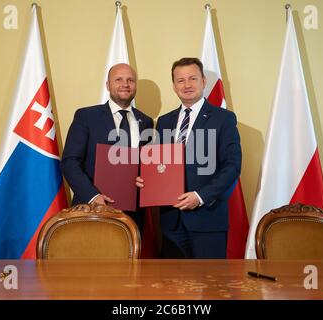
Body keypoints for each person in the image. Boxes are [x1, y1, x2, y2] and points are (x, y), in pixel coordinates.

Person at [137, 57, 242, 258]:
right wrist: (146, 180)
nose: (187, 85)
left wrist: (201, 197)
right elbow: (160, 164)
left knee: (210, 285)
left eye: (192, 79)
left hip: (207, 220)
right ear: (174, 86)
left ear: (203, 81)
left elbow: (232, 166)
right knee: (173, 287)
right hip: (170, 222)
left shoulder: (224, 119)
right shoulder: (164, 122)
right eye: (180, 80)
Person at [61, 63, 153, 231]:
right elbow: (70, 162)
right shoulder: (86, 116)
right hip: (90, 208)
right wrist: (93, 196)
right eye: (118, 79)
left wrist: (144, 176)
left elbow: (145, 164)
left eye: (130, 80)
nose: (125, 84)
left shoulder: (146, 121)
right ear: (108, 85)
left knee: (129, 258)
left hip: (132, 214)